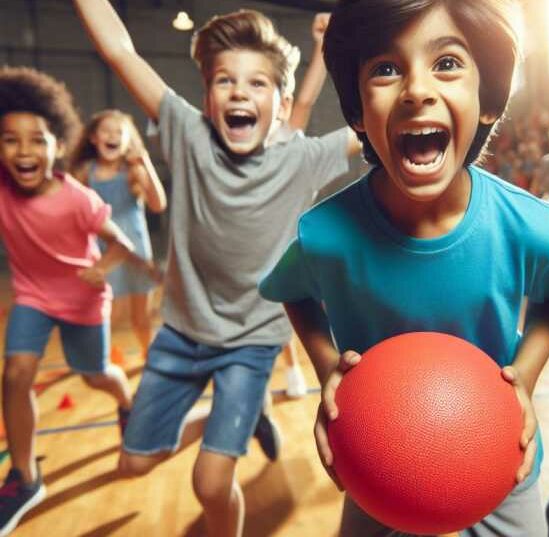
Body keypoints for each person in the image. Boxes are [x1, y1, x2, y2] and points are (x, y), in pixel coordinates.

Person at [259, 1, 549, 535]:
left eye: (447, 63)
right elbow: (293, 294)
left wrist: (523, 385)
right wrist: (330, 372)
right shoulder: (326, 233)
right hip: (379, 466)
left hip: (500, 458)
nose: (416, 90)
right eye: (386, 69)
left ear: (486, 102)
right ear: (356, 113)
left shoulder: (528, 223)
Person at [73, 3, 359, 536]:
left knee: (209, 482)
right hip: (182, 334)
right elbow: (118, 50)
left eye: (256, 83)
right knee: (132, 464)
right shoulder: (188, 134)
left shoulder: (299, 160)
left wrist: (336, 48)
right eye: (224, 80)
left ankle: (240, 430)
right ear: (206, 97)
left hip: (251, 344)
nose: (238, 92)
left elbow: (368, 125)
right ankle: (241, 420)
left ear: (280, 103)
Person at [0, 66, 146, 535]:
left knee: (95, 375)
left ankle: (124, 399)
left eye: (36, 140)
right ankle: (24, 477)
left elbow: (122, 242)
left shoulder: (77, 198)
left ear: (57, 145)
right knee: (16, 373)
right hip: (33, 297)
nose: (24, 151)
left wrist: (101, 270)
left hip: (84, 300)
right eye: (10, 139)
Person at [267, 12, 333, 400]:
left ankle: (293, 371)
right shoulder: (225, 149)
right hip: (242, 254)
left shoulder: (283, 142)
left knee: (281, 311)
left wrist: (322, 45)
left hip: (281, 248)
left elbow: (305, 99)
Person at [70, 109, 166, 360]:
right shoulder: (84, 173)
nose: (112, 136)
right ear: (93, 137)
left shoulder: (134, 172)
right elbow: (74, 214)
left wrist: (145, 161)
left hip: (136, 250)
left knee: (141, 316)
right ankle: (97, 360)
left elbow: (158, 205)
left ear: (127, 140)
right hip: (104, 251)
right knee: (106, 312)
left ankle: (151, 357)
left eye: (118, 132)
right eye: (106, 131)